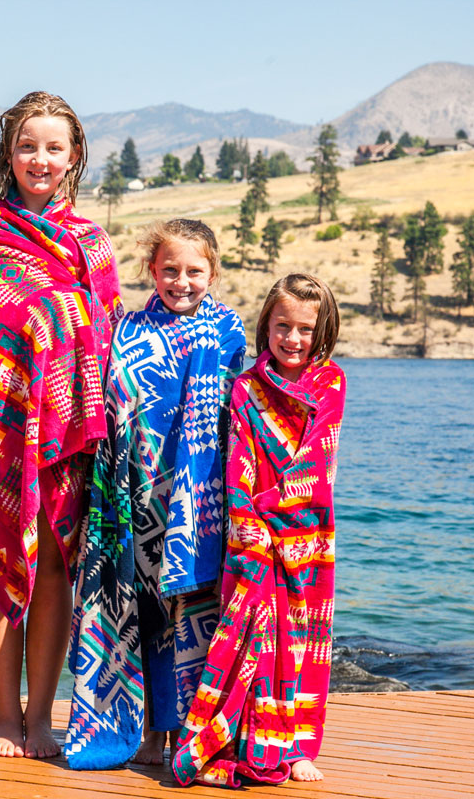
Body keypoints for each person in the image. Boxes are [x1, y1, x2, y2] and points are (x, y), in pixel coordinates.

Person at [0, 91, 123, 758]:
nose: (40, 159)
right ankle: (1, 716)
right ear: (8, 154)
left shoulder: (90, 242)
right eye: (28, 146)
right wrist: (46, 319)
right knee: (0, 568)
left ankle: (42, 716)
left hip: (69, 434)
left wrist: (59, 321)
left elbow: (105, 335)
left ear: (74, 156)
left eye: (54, 147)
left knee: (53, 568)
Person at [66, 220, 247, 770]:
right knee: (144, 618)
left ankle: (188, 732)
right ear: (152, 270)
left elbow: (243, 419)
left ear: (213, 273)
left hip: (201, 501)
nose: (181, 281)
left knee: (194, 618)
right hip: (135, 495)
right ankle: (147, 731)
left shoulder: (229, 333)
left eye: (195, 271)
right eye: (170, 270)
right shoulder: (128, 329)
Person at [172, 273, 345, 787]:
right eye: (282, 325)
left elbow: (315, 461)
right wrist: (245, 521)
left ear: (324, 331)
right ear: (265, 325)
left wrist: (270, 511)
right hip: (252, 538)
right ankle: (236, 742)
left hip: (308, 536)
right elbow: (238, 459)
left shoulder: (331, 383)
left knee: (304, 643)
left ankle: (297, 749)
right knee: (250, 643)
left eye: (305, 329)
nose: (293, 339)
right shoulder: (245, 388)